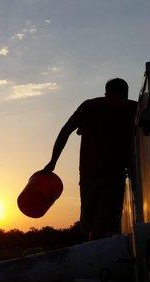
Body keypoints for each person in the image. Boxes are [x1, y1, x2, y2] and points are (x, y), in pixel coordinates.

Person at [43, 78, 137, 240]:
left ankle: (106, 253)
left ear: (126, 95)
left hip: (115, 175)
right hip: (90, 175)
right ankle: (92, 252)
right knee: (89, 223)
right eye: (115, 97)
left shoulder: (133, 108)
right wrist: (53, 162)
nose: (119, 102)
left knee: (110, 223)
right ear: (106, 95)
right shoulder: (90, 107)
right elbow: (65, 131)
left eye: (123, 97)